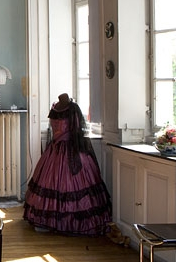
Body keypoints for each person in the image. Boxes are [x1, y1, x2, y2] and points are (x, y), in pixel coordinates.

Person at [23, 93, 112, 236]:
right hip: (65, 149)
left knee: (59, 182)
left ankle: (53, 221)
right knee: (58, 182)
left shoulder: (58, 109)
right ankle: (53, 221)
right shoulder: (69, 108)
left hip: (60, 150)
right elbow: (77, 129)